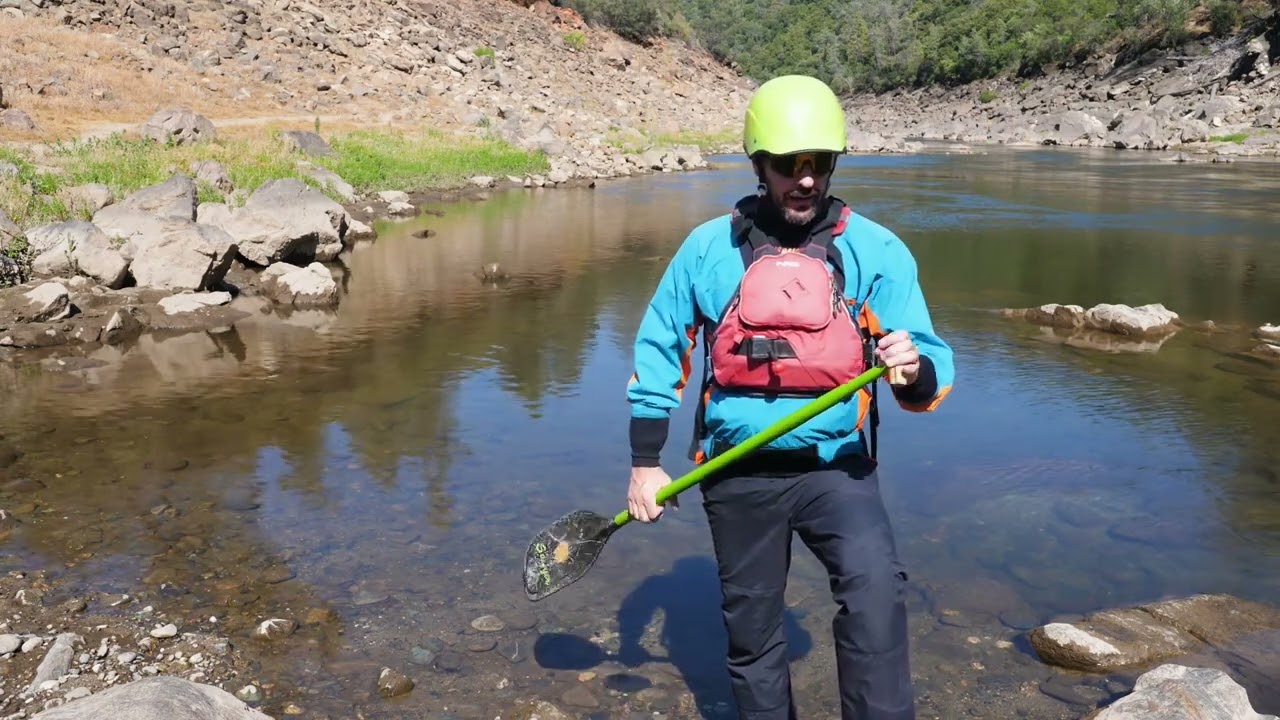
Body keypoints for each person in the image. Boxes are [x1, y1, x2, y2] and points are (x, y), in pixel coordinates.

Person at [623, 74, 955, 720]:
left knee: (876, 597)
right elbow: (659, 350)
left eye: (818, 164)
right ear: (758, 166)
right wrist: (644, 463)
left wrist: (909, 367)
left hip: (837, 467)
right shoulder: (706, 249)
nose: (804, 180)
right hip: (736, 467)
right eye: (787, 165)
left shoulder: (874, 249)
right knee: (752, 633)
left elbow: (931, 368)